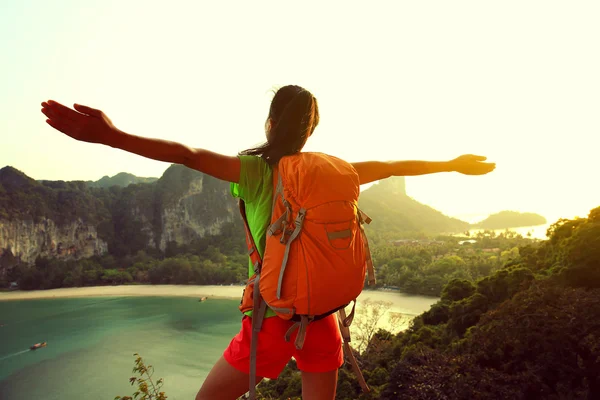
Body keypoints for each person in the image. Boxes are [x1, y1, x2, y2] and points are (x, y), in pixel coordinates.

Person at [41, 85, 495, 400]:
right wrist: (453, 164)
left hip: (271, 319)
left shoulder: (255, 171)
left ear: (270, 122)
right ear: (311, 130)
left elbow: (186, 155)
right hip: (323, 319)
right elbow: (393, 165)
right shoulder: (337, 172)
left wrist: (111, 136)